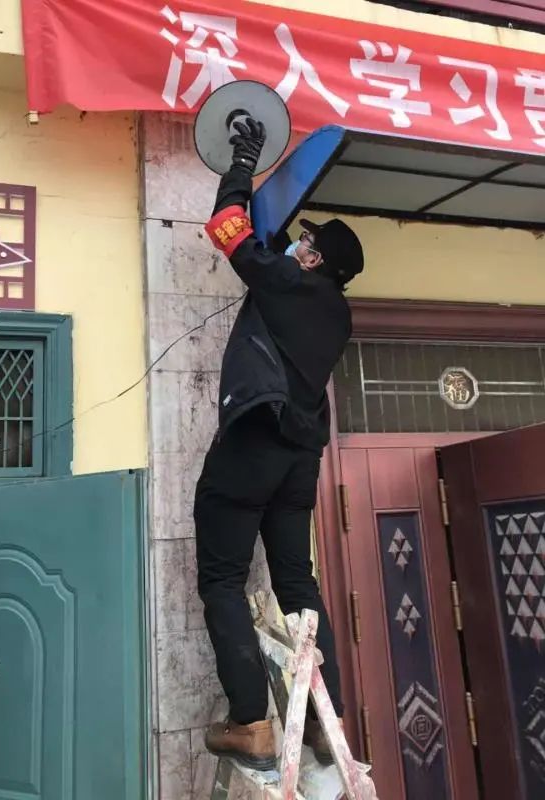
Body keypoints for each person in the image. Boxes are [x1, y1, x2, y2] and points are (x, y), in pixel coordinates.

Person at [194, 117, 364, 771]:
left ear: (314, 259)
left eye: (307, 242)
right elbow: (270, 250)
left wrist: (243, 160)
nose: (298, 245)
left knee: (223, 577)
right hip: (300, 460)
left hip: (254, 446)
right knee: (296, 579)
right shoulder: (337, 311)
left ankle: (251, 724)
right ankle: (327, 719)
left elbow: (228, 227)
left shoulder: (289, 282)